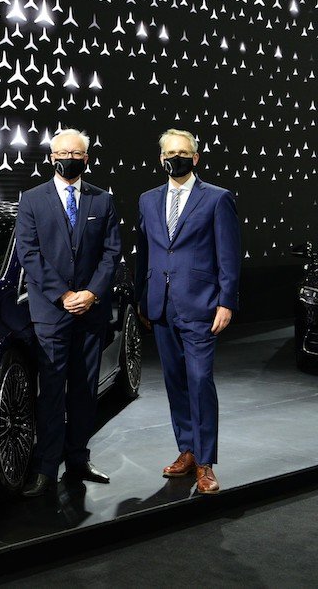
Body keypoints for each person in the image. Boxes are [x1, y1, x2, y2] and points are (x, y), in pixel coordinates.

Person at [15, 128, 122, 497]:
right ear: (51, 157)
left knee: (85, 391)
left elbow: (112, 252)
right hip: (51, 312)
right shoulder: (32, 200)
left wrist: (90, 293)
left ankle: (78, 458)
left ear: (86, 159)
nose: (69, 159)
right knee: (51, 392)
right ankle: (46, 468)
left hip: (90, 312)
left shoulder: (102, 200)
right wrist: (63, 295)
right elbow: (29, 253)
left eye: (76, 154)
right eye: (62, 153)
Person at [135, 129, 240, 495]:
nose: (175, 158)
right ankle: (188, 450)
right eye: (169, 153)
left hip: (201, 304)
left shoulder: (217, 198)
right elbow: (145, 251)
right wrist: (142, 298)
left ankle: (206, 462)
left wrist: (226, 301)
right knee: (175, 382)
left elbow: (228, 254)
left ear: (195, 158)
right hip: (160, 304)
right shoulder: (148, 200)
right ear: (161, 158)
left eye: (182, 152)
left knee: (199, 380)